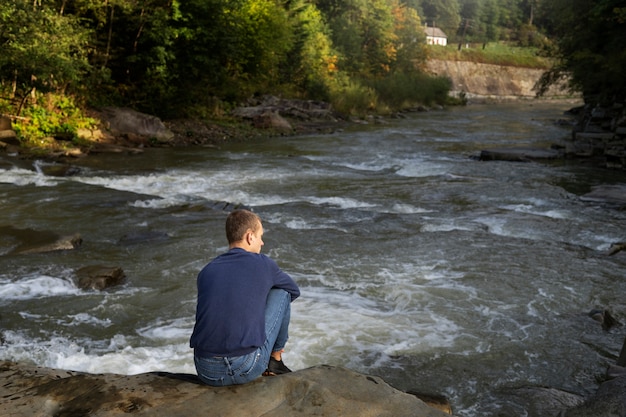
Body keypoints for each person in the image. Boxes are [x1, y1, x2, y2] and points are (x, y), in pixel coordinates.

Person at [190, 209, 300, 386]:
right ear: (250, 236)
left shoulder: (206, 270)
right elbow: (293, 291)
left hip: (205, 370)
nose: (262, 243)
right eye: (260, 236)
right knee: (281, 292)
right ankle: (275, 360)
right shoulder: (263, 263)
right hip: (245, 367)